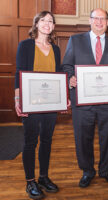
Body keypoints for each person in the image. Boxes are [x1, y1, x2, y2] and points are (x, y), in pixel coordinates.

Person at [63, 8, 108, 188]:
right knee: (83, 138)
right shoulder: (76, 40)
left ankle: (106, 170)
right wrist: (70, 77)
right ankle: (87, 171)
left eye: (103, 19)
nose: (99, 22)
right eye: (96, 19)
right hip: (82, 101)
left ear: (107, 22)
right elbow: (66, 64)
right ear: (90, 20)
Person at [14, 11, 61, 199]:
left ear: (53, 26)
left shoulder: (56, 49)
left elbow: (58, 76)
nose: (46, 24)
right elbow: (19, 73)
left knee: (47, 141)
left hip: (50, 103)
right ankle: (30, 181)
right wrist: (18, 100)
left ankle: (43, 177)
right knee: (30, 141)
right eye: (43, 20)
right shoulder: (25, 45)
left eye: (50, 21)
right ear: (36, 24)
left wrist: (62, 96)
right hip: (31, 102)